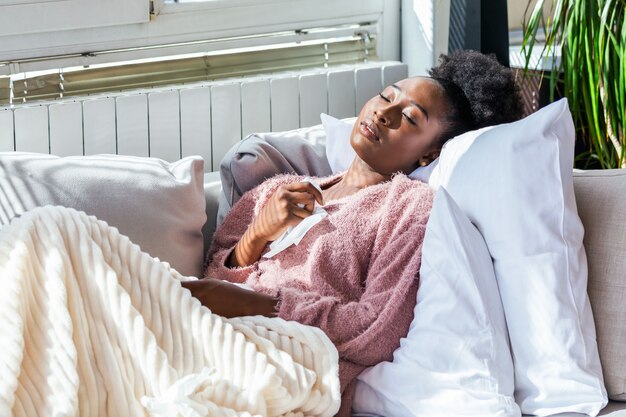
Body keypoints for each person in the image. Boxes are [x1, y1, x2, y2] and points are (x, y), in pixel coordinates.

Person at [182, 49, 524, 416]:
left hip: (289, 369)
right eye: (386, 96)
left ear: (428, 156)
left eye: (408, 117)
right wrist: (255, 237)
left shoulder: (407, 208)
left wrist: (261, 305)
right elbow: (211, 283)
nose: (384, 113)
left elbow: (376, 330)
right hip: (208, 334)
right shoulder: (276, 190)